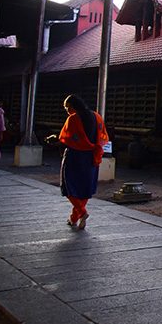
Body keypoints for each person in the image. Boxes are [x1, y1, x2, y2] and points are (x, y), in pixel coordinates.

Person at [57, 94, 108, 229]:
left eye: (68, 107)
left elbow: (65, 138)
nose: (67, 110)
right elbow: (102, 136)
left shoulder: (73, 119)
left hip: (74, 157)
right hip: (91, 156)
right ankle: (74, 218)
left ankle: (82, 213)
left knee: (69, 187)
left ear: (74, 106)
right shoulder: (96, 117)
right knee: (85, 187)